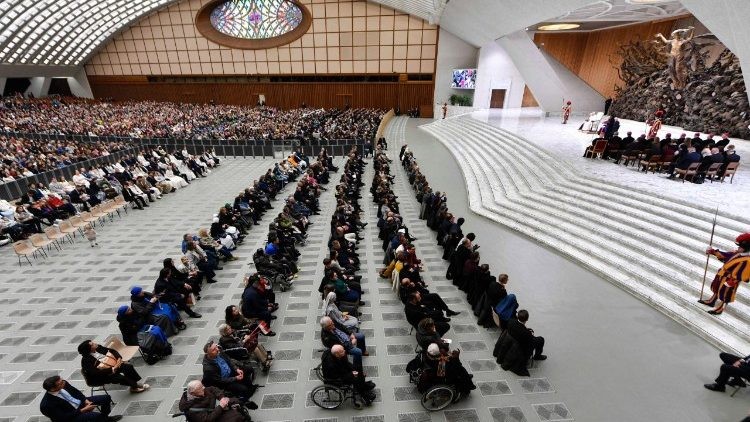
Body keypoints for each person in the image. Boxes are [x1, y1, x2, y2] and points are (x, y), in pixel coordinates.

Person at [699, 233, 750, 315]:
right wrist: (713, 252)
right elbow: (725, 256)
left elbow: (744, 273)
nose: (738, 248)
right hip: (722, 275)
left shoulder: (747, 260)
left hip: (731, 279)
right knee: (716, 288)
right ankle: (712, 301)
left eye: (740, 247)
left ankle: (720, 308)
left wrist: (733, 281)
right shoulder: (737, 253)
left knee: (726, 294)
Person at [40, 375, 122, 422]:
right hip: (71, 416)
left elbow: (76, 392)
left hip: (80, 403)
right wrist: (83, 410)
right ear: (52, 389)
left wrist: (85, 400)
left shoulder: (63, 383)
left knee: (106, 398)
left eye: (62, 381)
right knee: (95, 416)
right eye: (60, 383)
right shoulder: (47, 404)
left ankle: (105, 418)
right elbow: (62, 418)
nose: (64, 383)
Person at [179, 380, 254, 422]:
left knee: (235, 401)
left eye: (202, 386)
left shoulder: (201, 391)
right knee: (236, 417)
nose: (204, 388)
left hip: (215, 409)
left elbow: (213, 389)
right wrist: (220, 406)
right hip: (211, 416)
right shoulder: (191, 409)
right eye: (200, 388)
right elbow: (208, 419)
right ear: (193, 393)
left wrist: (221, 398)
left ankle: (245, 405)